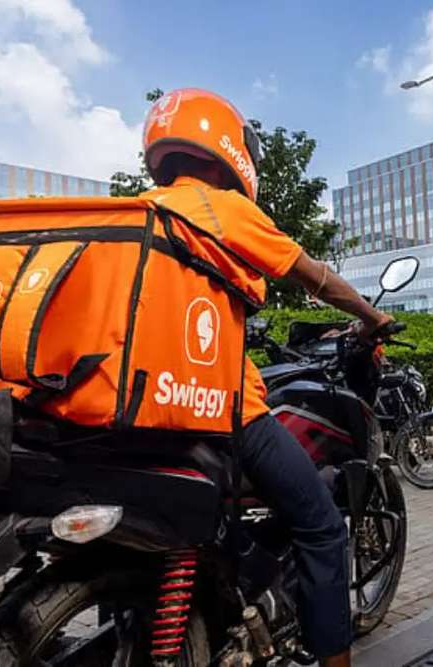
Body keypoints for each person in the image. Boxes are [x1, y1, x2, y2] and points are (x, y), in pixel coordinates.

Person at [139, 88, 387, 666]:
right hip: (217, 411)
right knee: (322, 527)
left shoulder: (136, 214)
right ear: (232, 154)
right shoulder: (221, 209)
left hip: (130, 412)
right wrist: (371, 317)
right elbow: (314, 276)